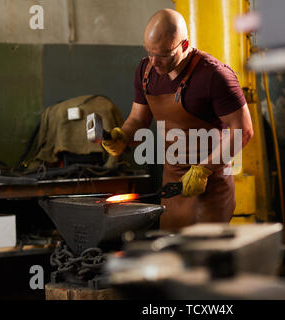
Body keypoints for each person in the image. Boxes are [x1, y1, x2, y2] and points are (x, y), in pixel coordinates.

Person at [102, 9, 254, 230]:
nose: (154, 62)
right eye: (149, 52)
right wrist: (122, 136)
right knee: (171, 253)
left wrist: (204, 170)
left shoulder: (214, 76)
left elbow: (243, 130)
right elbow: (137, 119)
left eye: (163, 55)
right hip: (172, 185)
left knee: (203, 255)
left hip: (209, 185)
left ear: (184, 46)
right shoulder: (146, 72)